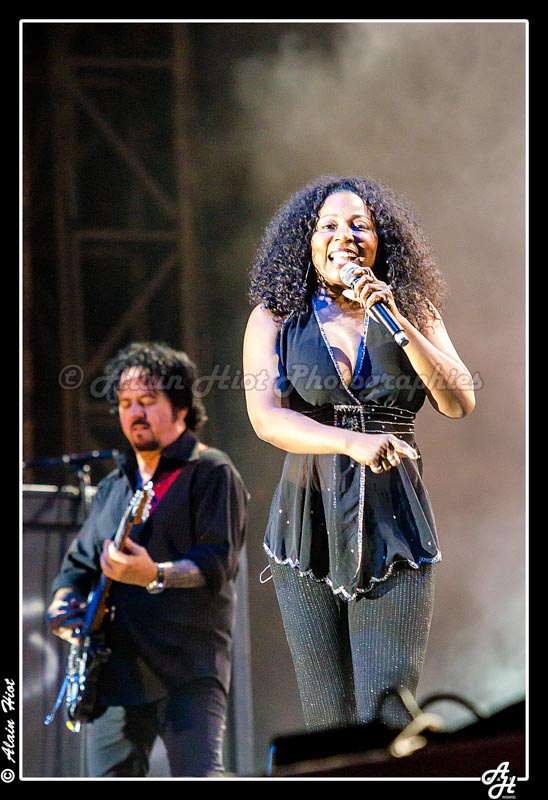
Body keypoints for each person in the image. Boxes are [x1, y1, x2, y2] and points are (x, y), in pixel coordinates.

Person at [243, 175, 475, 734]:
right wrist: (352, 442)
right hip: (308, 517)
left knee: (389, 707)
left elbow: (459, 400)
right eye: (328, 225)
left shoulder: (411, 309)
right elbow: (266, 419)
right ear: (307, 241)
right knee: (329, 719)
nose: (344, 236)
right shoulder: (276, 315)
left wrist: (399, 321)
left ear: (380, 241)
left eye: (359, 225)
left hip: (393, 516)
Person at [46, 341, 249, 777]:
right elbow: (76, 568)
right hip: (115, 672)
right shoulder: (114, 487)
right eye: (125, 403)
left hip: (188, 668)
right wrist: (63, 606)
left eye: (147, 400)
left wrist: (154, 574)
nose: (134, 412)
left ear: (180, 407)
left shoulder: (211, 471)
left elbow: (217, 562)